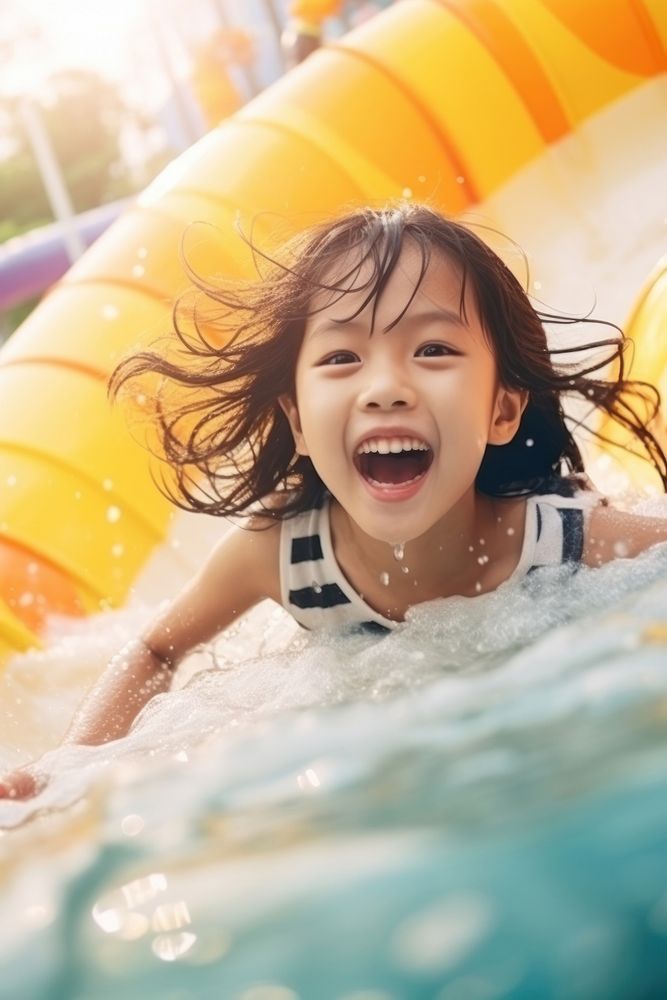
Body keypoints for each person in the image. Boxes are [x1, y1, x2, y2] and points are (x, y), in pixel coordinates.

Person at [2, 202, 666, 801]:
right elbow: (154, 648)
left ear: (500, 410)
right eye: (342, 357)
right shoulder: (279, 553)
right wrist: (70, 766)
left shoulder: (559, 539)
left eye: (432, 349)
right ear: (296, 418)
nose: (384, 387)